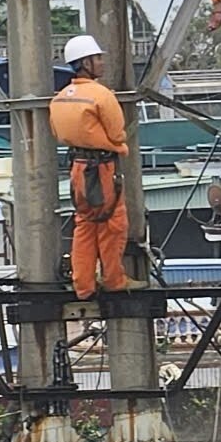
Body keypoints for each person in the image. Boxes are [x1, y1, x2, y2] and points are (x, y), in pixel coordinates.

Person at [50, 33, 129, 299]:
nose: (101, 63)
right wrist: (116, 146)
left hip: (77, 168)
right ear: (85, 63)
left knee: (84, 224)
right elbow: (117, 134)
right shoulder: (100, 95)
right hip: (103, 168)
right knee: (112, 223)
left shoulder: (60, 98)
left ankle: (83, 286)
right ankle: (114, 281)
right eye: (97, 58)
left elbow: (56, 132)